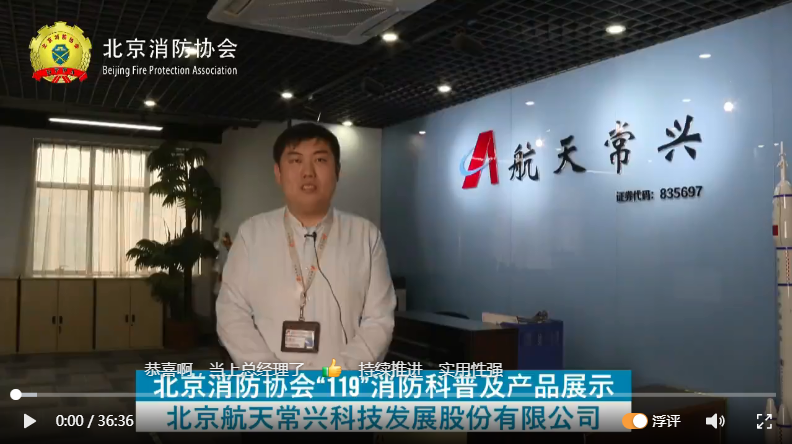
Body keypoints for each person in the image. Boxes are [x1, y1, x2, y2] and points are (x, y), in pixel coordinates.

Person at [216, 123, 396, 443]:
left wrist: (335, 375)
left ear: (338, 172)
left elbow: (379, 319)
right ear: (278, 172)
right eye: (296, 160)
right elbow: (231, 312)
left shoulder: (365, 235)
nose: (308, 172)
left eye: (321, 160)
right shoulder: (252, 234)